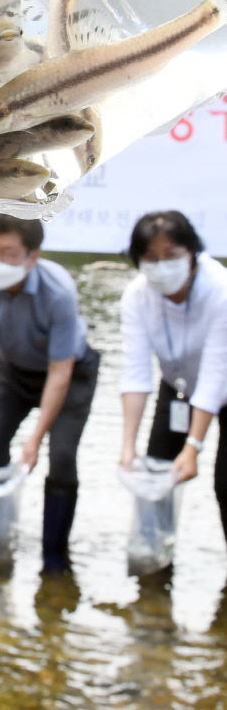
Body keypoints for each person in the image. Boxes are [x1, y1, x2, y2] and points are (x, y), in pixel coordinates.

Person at [0, 213, 100, 572]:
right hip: (12, 367)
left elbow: (60, 373)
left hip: (69, 372)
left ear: (33, 257)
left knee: (61, 458)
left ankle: (54, 559)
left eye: (9, 254)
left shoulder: (58, 291)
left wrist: (35, 438)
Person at [119, 210, 227, 543]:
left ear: (192, 253)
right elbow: (135, 373)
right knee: (155, 471)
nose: (161, 266)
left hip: (222, 388)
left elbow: (215, 374)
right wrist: (127, 445)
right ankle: (153, 570)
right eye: (150, 257)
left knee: (225, 486)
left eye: (171, 256)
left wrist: (193, 447)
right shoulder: (137, 295)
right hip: (178, 385)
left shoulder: (221, 291)